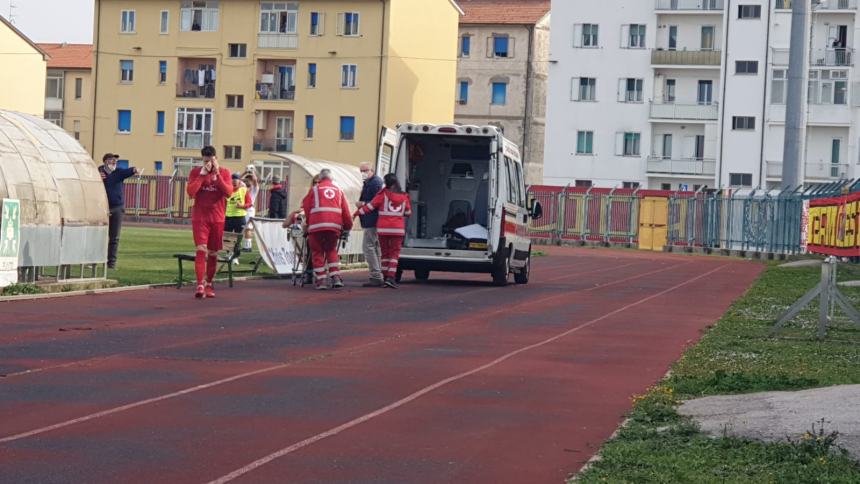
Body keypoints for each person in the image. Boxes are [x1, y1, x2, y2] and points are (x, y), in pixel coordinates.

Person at [186, 146, 233, 299]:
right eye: (205, 161)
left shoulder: (224, 173)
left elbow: (228, 193)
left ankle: (209, 283)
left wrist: (217, 174)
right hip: (200, 218)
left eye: (211, 160)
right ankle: (200, 283)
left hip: (217, 218)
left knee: (213, 252)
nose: (208, 164)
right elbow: (191, 193)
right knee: (201, 249)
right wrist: (201, 176)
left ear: (216, 159)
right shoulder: (196, 172)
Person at [354, 173, 412, 288]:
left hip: (383, 229)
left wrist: (356, 213)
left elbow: (370, 207)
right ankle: (391, 277)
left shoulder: (383, 194)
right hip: (397, 229)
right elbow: (408, 213)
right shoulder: (404, 196)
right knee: (394, 254)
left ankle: (385, 276)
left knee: (385, 253)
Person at [302, 169, 353, 290]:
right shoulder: (339, 191)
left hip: (316, 225)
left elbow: (306, 206)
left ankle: (321, 280)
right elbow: (346, 211)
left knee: (317, 251)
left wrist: (308, 222)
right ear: (331, 178)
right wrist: (347, 227)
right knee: (331, 250)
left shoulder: (314, 189)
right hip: (334, 226)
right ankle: (335, 277)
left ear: (320, 178)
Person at [98, 153, 139, 269]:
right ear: (105, 161)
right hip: (102, 207)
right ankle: (97, 259)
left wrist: (135, 170)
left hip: (117, 207)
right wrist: (96, 177)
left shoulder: (118, 172)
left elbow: (129, 171)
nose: (114, 162)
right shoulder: (98, 172)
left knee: (114, 237)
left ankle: (111, 263)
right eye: (111, 160)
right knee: (99, 235)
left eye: (115, 160)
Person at [355, 162, 385, 287]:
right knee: (374, 247)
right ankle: (378, 274)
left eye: (365, 170)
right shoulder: (371, 183)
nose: (363, 173)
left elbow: (377, 202)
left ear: (372, 170)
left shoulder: (375, 183)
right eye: (361, 170)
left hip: (372, 220)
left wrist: (362, 204)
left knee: (368, 247)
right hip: (372, 219)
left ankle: (376, 275)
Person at [242, 167, 259, 251]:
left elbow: (255, 181)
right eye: (247, 180)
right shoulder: (243, 188)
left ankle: (248, 247)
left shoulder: (254, 189)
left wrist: (253, 172)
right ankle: (245, 246)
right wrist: (245, 172)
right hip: (241, 209)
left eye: (250, 180)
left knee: (248, 227)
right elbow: (237, 180)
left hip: (249, 210)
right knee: (242, 228)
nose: (248, 181)